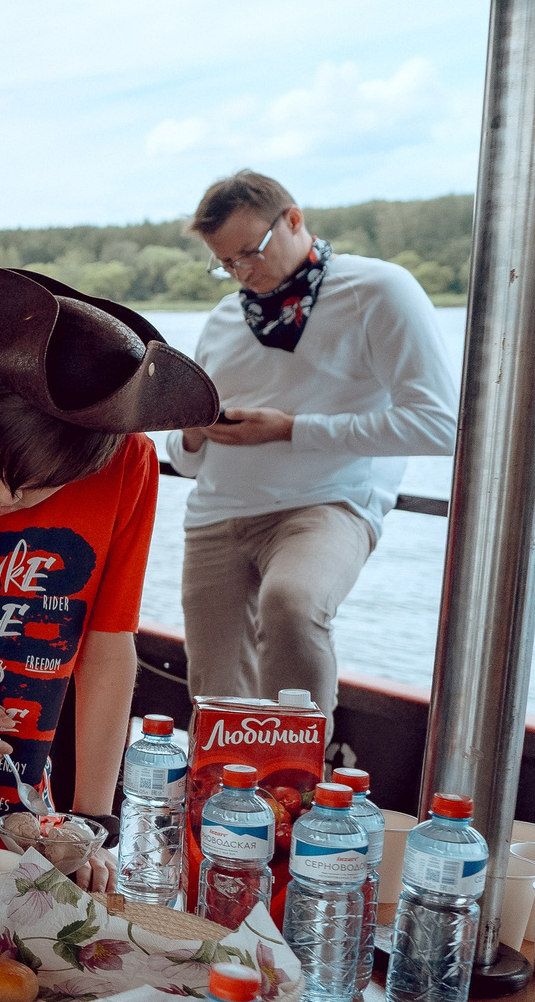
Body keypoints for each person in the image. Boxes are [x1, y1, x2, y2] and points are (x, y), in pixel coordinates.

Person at [0, 265, 220, 878]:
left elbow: (108, 644)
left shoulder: (128, 465)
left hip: (16, 818)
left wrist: (88, 826)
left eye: (46, 489)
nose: (10, 500)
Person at [167, 169, 458, 710]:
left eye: (249, 253)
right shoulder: (224, 317)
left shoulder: (379, 290)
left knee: (293, 606)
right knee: (215, 699)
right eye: (224, 263)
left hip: (326, 506)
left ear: (293, 220)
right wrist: (189, 432)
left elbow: (440, 426)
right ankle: (226, 793)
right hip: (216, 517)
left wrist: (291, 430)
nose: (240, 272)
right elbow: (187, 463)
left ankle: (299, 788)